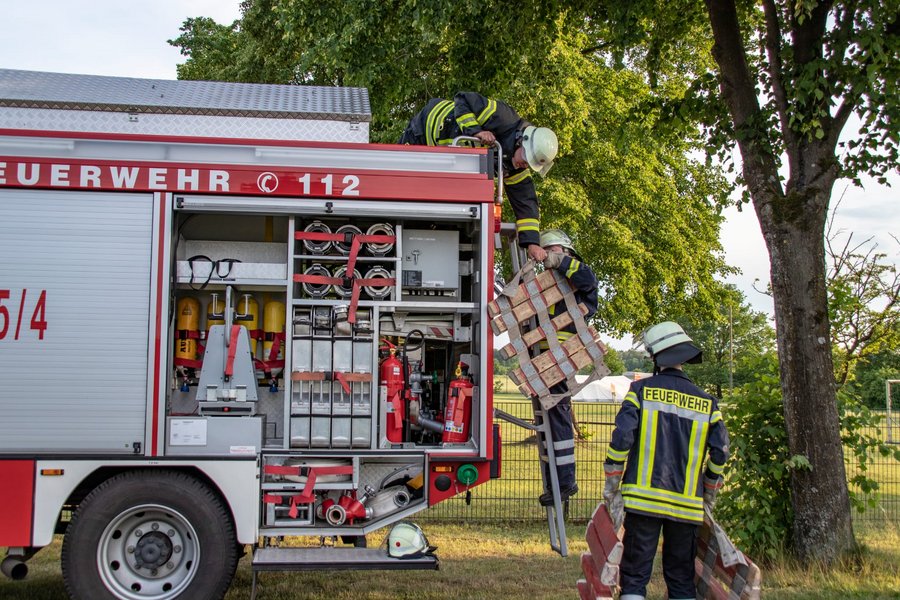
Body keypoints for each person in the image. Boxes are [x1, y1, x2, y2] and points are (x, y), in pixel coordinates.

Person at [602, 322, 729, 600]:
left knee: (634, 577)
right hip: (687, 508)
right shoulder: (708, 403)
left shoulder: (640, 390)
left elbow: (623, 438)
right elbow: (721, 452)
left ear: (657, 357)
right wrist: (709, 489)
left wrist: (612, 479)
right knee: (681, 579)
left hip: (642, 504)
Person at [399, 92, 558, 262]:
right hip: (424, 130)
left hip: (443, 163)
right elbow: (463, 99)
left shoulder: (514, 165)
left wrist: (532, 243)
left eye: (530, 164)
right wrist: (476, 131)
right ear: (522, 141)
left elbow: (525, 202)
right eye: (527, 159)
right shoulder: (503, 117)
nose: (525, 165)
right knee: (399, 185)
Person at [536, 229, 598, 506]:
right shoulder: (547, 284)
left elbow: (587, 279)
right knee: (548, 422)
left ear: (568, 252)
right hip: (544, 361)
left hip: (563, 359)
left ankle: (565, 483)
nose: (549, 256)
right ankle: (555, 483)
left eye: (555, 250)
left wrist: (557, 261)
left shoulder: (579, 276)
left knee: (558, 419)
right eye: (546, 252)